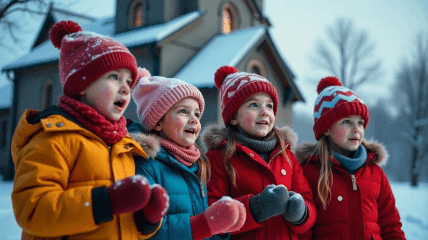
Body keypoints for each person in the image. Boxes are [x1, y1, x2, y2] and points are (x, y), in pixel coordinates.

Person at [11, 20, 169, 240]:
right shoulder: (53, 138)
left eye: (128, 80)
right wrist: (107, 200)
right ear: (82, 85)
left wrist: (146, 220)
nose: (125, 87)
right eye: (114, 77)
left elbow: (120, 225)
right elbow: (32, 210)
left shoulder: (123, 146)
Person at [128, 68, 246, 240]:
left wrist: (221, 229)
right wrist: (207, 223)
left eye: (197, 114)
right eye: (183, 111)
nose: (194, 120)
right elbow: (146, 232)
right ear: (158, 121)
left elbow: (202, 227)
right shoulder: (145, 165)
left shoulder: (196, 165)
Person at [202, 65, 316, 240]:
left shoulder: (286, 155)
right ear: (233, 116)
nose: (264, 112)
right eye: (254, 105)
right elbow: (212, 214)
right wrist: (257, 207)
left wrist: (301, 213)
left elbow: (307, 199)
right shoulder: (219, 158)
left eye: (269, 106)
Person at [295, 76, 406, 239]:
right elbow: (303, 232)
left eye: (360, 123)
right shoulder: (310, 172)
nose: (356, 129)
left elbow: (391, 226)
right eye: (347, 122)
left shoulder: (375, 174)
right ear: (326, 128)